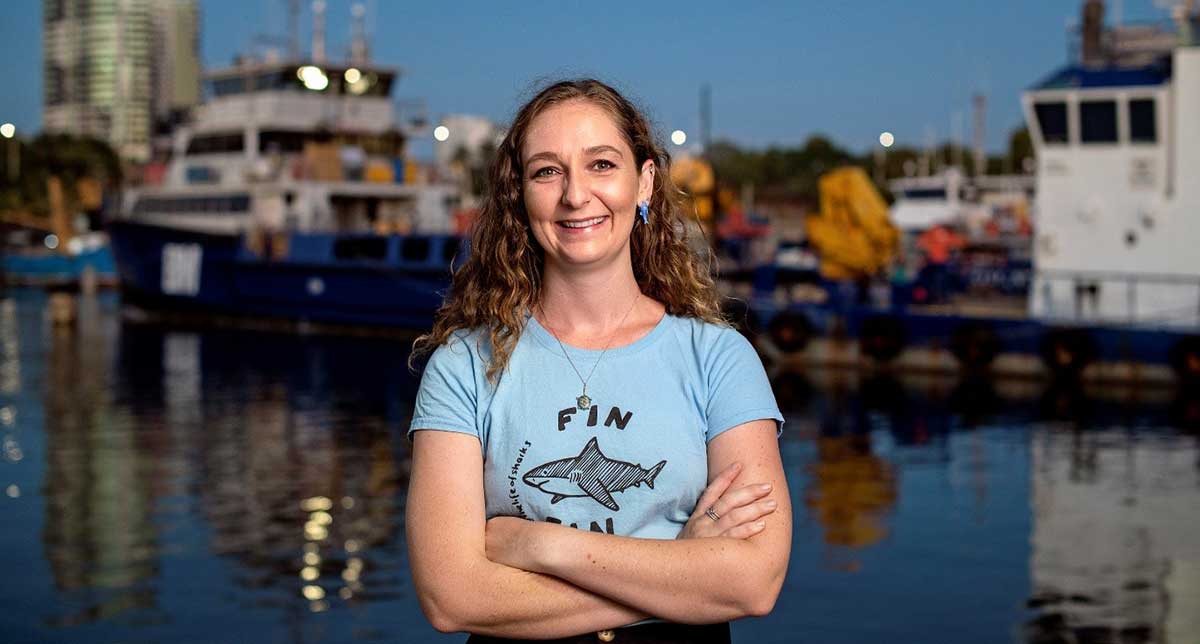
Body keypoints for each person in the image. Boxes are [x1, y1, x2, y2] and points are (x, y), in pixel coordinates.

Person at [406, 79, 791, 643]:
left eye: (602, 164)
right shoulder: (463, 365)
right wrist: (680, 568)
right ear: (520, 195)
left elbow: (753, 583)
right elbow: (451, 598)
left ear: (646, 181)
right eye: (547, 171)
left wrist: (540, 545)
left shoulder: (718, 358)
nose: (575, 195)